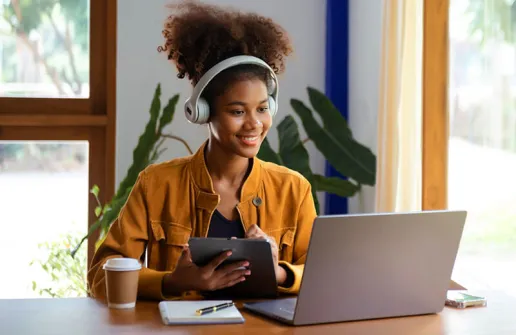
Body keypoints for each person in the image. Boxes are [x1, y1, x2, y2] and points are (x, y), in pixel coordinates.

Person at [87, 0, 317, 301]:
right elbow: (100, 276)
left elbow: (322, 278)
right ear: (202, 111)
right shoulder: (156, 185)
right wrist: (172, 282)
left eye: (262, 109)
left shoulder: (293, 190)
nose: (254, 124)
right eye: (237, 112)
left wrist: (280, 273)